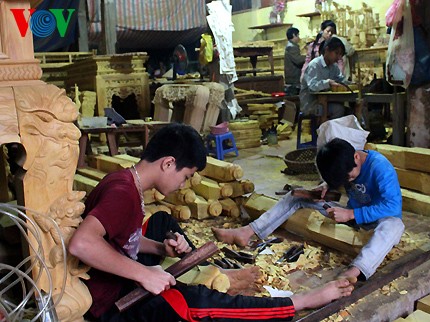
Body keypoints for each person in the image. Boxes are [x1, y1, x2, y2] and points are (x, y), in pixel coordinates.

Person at [69, 123, 355, 321]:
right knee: (193, 304)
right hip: (114, 303)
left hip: (121, 273)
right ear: (168, 163)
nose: (183, 185)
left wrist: (159, 249)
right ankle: (298, 302)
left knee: (161, 221)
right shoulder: (122, 193)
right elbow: (82, 243)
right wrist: (144, 274)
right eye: (184, 176)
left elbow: (122, 237)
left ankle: (212, 276)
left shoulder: (127, 181)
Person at [213, 138, 405, 282]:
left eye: (350, 177)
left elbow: (393, 206)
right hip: (350, 215)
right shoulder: (346, 164)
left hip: (378, 219)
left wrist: (352, 214)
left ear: (357, 156)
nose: (348, 182)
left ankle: (356, 270)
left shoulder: (380, 168)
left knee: (394, 226)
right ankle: (248, 231)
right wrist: (325, 186)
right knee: (297, 195)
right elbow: (337, 180)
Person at [299, 37, 346, 119]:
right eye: (336, 53)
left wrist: (350, 84)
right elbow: (312, 86)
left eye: (340, 55)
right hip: (311, 104)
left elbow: (341, 80)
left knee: (348, 110)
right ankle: (327, 131)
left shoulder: (333, 66)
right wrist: (328, 83)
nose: (338, 57)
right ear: (327, 50)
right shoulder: (314, 65)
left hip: (327, 101)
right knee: (338, 110)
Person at [284, 27, 305, 96]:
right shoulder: (291, 47)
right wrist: (308, 57)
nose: (299, 37)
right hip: (294, 79)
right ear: (293, 35)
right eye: (298, 35)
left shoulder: (291, 46)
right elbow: (298, 60)